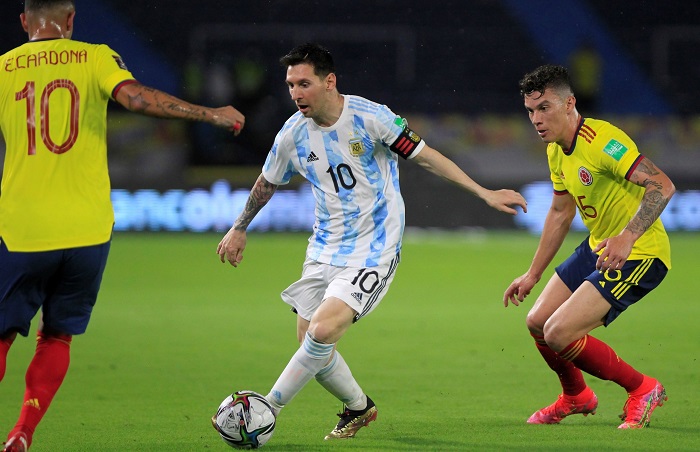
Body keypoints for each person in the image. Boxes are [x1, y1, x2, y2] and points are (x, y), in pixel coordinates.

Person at [216, 42, 527, 441]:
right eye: (290, 84)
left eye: (304, 83)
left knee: (322, 332)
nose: (295, 93)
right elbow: (267, 182)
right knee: (310, 343)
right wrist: (239, 226)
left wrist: (483, 192)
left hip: (374, 248)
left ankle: (268, 408)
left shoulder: (372, 118)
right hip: (324, 248)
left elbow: (426, 156)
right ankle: (359, 407)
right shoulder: (292, 134)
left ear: (330, 82)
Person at [0, 1, 245, 451]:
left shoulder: (3, 69)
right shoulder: (95, 56)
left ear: (23, 22)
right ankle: (22, 432)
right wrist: (209, 114)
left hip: (23, 228)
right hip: (89, 229)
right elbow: (136, 98)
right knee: (57, 335)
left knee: (1, 336)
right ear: (70, 19)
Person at [503, 64, 674, 429]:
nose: (536, 119)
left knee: (559, 332)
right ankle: (576, 396)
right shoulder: (556, 149)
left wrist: (628, 236)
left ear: (569, 104)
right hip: (599, 246)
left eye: (544, 107)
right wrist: (532, 274)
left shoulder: (603, 142)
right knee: (537, 322)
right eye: (530, 110)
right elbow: (560, 213)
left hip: (640, 253)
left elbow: (662, 185)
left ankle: (643, 388)